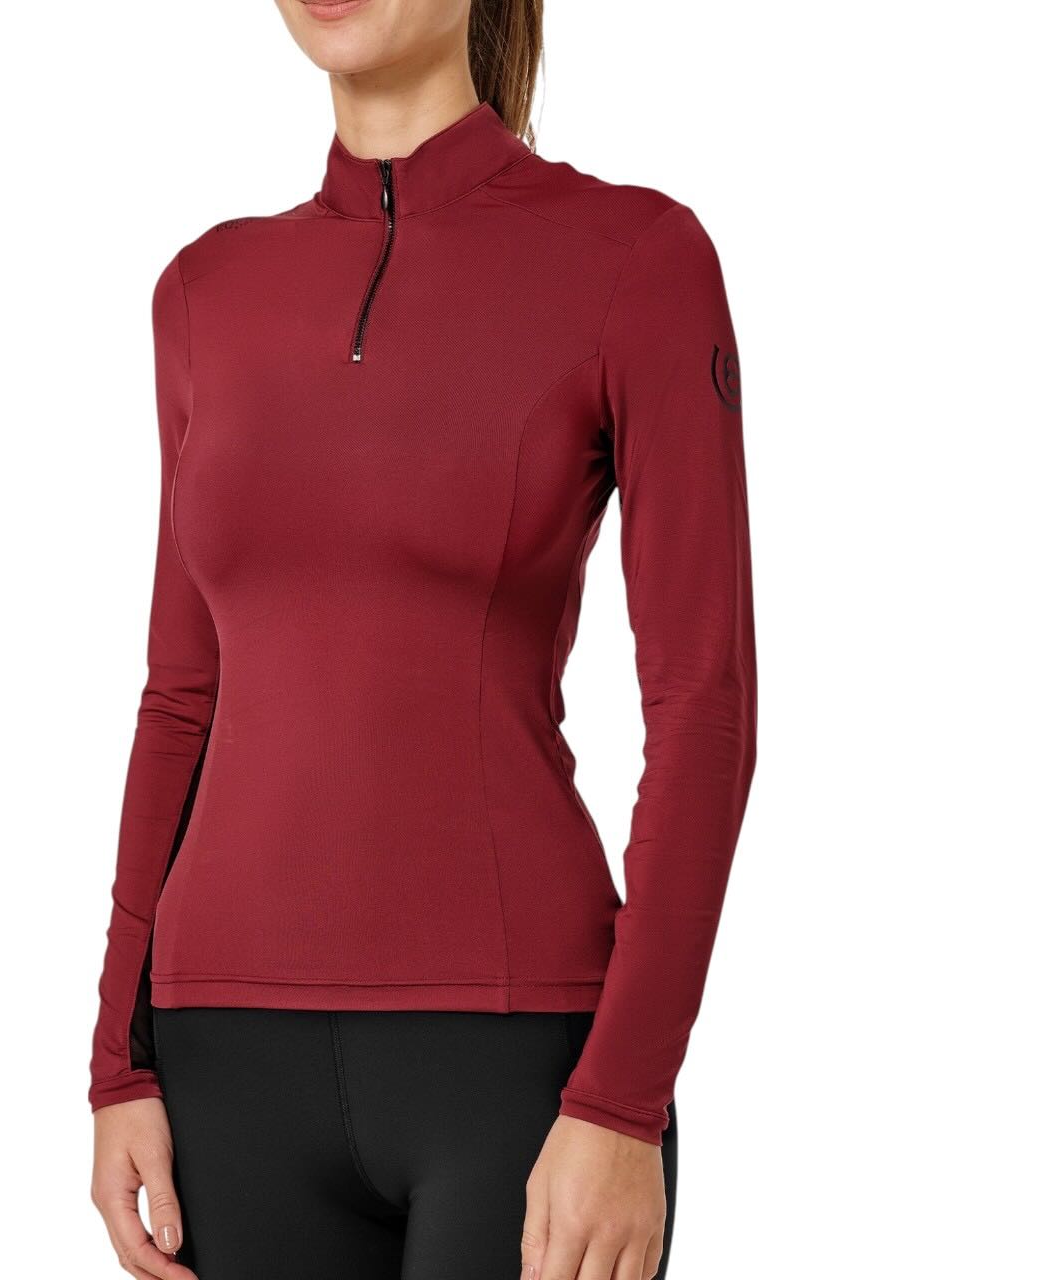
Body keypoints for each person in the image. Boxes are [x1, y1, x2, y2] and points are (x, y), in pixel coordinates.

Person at [88, 1, 756, 1277]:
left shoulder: (635, 257)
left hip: (517, 1061)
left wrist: (620, 1098)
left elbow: (702, 709)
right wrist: (117, 1064)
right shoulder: (203, 292)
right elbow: (181, 696)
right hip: (222, 1055)